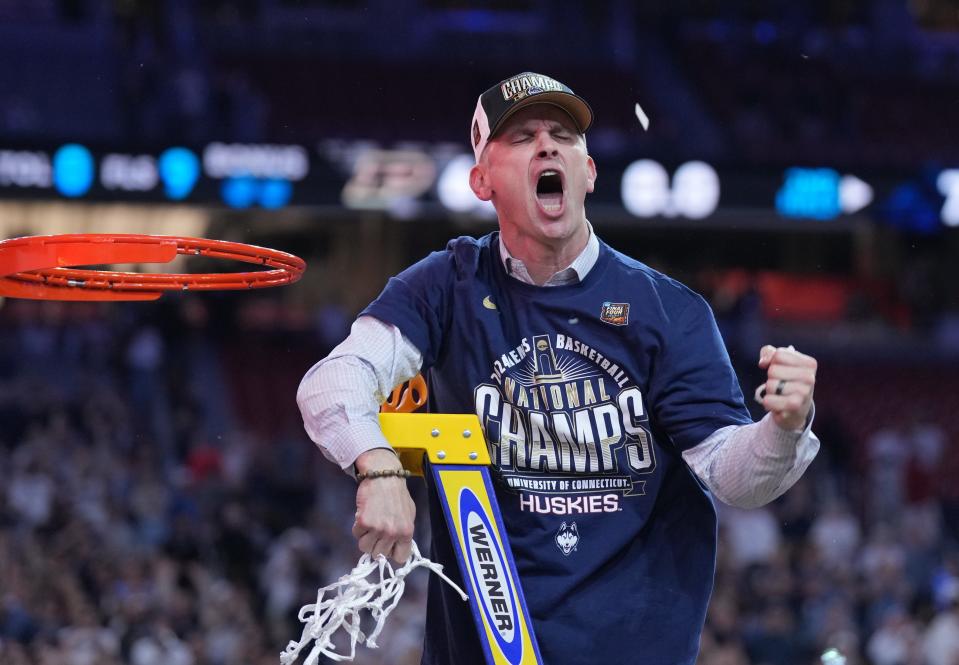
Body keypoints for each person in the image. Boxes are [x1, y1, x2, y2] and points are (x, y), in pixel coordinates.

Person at [298, 71, 820, 665]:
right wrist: (380, 470)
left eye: (564, 136)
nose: (547, 145)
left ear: (588, 172)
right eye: (521, 137)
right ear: (481, 181)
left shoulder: (667, 310)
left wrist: (783, 428)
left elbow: (735, 476)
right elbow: (333, 381)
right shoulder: (447, 285)